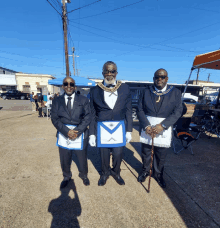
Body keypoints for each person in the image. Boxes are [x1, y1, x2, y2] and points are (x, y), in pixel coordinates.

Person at [89, 61, 132, 186]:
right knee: (104, 154)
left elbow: (129, 110)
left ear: (116, 73)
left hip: (119, 128)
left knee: (118, 154)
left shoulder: (125, 88)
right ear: (102, 73)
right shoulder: (95, 90)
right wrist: (92, 134)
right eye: (107, 71)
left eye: (112, 71)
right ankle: (104, 173)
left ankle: (116, 172)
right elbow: (92, 114)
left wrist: (129, 130)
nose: (109, 74)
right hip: (102, 129)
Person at [137, 68, 183, 188]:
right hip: (148, 126)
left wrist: (163, 126)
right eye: (157, 77)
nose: (159, 79)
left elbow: (178, 111)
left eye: (162, 77)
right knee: (146, 151)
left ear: (167, 79)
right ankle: (145, 171)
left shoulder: (176, 93)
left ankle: (158, 174)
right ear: (153, 78)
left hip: (164, 128)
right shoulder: (146, 91)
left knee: (161, 154)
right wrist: (146, 125)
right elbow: (139, 109)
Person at [51, 76, 91, 189]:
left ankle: (84, 175)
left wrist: (77, 131)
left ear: (75, 86)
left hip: (80, 133)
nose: (69, 86)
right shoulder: (57, 100)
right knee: (64, 158)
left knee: (82, 157)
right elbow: (54, 119)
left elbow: (88, 117)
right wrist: (66, 131)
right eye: (66, 84)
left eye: (71, 84)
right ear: (63, 86)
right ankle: (66, 176)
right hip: (64, 134)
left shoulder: (83, 100)